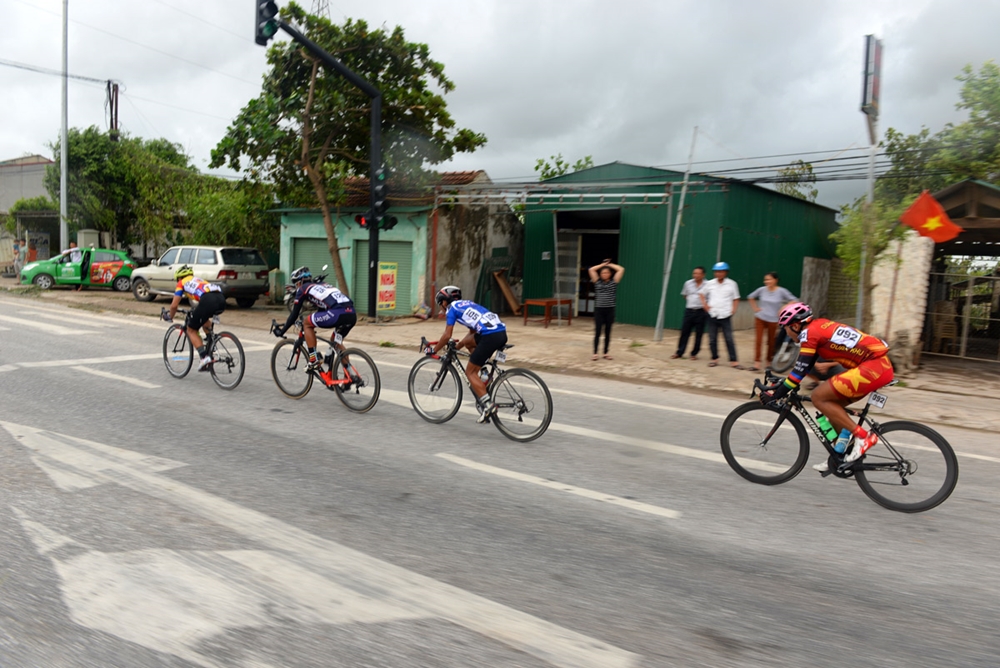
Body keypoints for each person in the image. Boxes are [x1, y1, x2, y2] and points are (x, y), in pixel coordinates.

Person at [761, 302, 894, 472]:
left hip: (873, 368)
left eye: (785, 328)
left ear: (795, 326)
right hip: (878, 366)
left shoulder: (810, 334)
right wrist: (782, 383)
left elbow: (798, 374)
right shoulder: (818, 327)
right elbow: (804, 368)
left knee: (818, 397)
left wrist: (775, 395)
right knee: (832, 407)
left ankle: (863, 437)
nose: (785, 332)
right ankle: (840, 455)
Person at [427, 285, 507, 424]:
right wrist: (457, 347)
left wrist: (434, 350)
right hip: (500, 333)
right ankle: (484, 375)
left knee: (470, 373)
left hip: (489, 336)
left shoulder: (451, 309)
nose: (441, 308)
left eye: (440, 304)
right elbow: (472, 334)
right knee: (470, 343)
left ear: (445, 302)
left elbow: (447, 335)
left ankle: (488, 406)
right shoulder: (468, 304)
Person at [274, 266, 356, 370]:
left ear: (301, 281)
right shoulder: (322, 285)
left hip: (337, 313)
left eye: (296, 282)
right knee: (336, 341)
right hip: (351, 313)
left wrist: (282, 331)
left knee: (307, 323)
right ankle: (351, 376)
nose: (296, 285)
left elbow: (294, 315)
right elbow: (323, 308)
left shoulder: (303, 289)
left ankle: (313, 360)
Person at [162, 265, 226, 371]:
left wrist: (170, 316)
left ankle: (204, 357)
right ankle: (211, 342)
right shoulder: (198, 280)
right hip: (221, 299)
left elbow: (174, 305)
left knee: (191, 329)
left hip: (208, 300)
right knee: (203, 318)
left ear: (179, 278)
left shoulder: (181, 283)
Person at [747, 272, 797, 370]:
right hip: (760, 318)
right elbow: (750, 297)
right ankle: (757, 362)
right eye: (765, 280)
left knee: (771, 341)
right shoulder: (761, 290)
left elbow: (794, 300)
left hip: (773, 320)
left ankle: (768, 361)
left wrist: (784, 307)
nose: (767, 281)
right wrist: (755, 308)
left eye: (769, 279)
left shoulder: (782, 291)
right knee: (758, 340)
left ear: (775, 280)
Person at [700, 261, 743, 369]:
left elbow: (736, 298)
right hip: (712, 314)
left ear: (726, 272)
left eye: (721, 271)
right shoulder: (710, 283)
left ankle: (734, 361)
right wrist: (705, 305)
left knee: (729, 338)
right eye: (716, 272)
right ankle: (714, 359)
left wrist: (734, 309)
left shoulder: (732, 284)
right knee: (712, 339)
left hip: (725, 315)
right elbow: (701, 294)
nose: (718, 274)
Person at [587, 259, 624, 361]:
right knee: (598, 332)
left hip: (610, 310)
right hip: (599, 310)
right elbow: (591, 270)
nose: (605, 274)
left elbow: (621, 269)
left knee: (608, 332)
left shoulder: (614, 282)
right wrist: (602, 264)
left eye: (607, 272)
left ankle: (606, 352)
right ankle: (595, 353)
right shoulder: (597, 281)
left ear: (610, 273)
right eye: (603, 272)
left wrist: (610, 264)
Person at [672, 266, 707, 360]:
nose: (696, 275)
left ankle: (694, 354)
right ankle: (679, 352)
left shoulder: (708, 285)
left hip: (701, 312)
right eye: (694, 273)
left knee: (699, 334)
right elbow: (685, 295)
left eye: (698, 273)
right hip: (689, 312)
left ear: (703, 275)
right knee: (684, 332)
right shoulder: (688, 283)